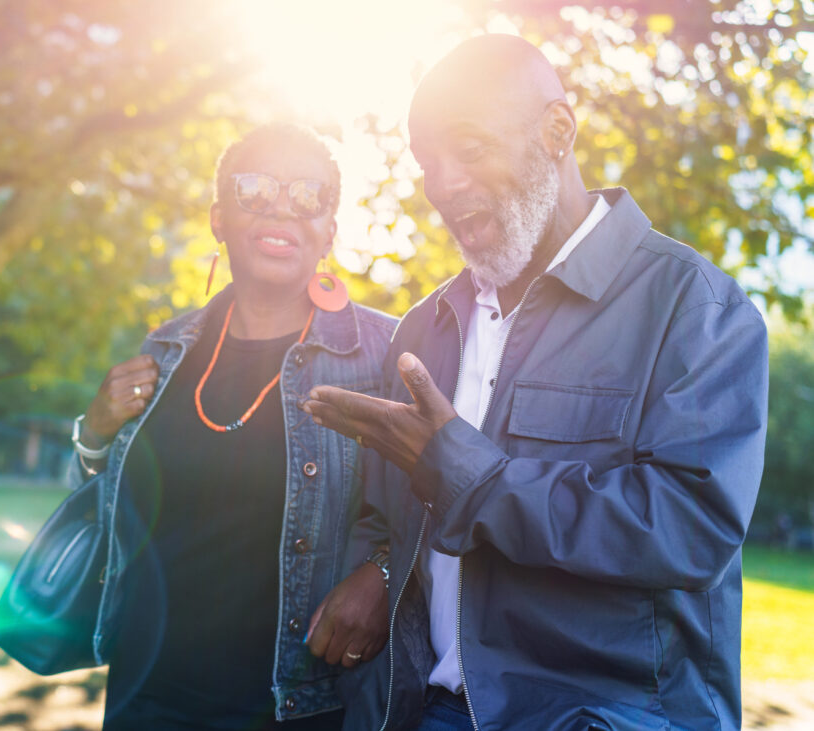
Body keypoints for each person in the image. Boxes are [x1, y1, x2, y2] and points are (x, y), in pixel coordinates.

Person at [303, 35, 768, 730]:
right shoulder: (424, 327)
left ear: (557, 132)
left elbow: (689, 528)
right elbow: (388, 514)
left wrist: (474, 478)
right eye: (427, 163)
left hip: (601, 717)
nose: (443, 184)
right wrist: (380, 565)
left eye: (469, 148)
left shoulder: (694, 307)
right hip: (423, 708)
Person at [71, 123, 398, 729]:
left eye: (309, 195)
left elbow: (434, 509)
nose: (283, 208)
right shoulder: (165, 349)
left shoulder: (386, 354)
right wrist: (93, 433)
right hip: (145, 694)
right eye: (256, 190)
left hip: (295, 705)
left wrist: (381, 574)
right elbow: (108, 508)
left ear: (329, 230)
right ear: (219, 218)